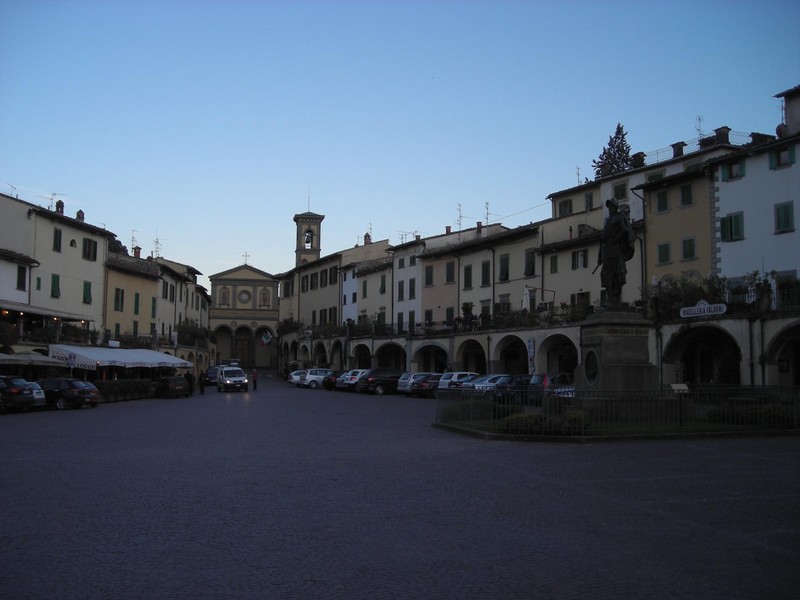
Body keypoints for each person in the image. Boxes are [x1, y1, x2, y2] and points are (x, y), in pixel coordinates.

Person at [597, 198, 633, 307]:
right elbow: (603, 239)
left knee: (608, 275)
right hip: (607, 250)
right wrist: (600, 256)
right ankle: (613, 299)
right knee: (610, 275)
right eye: (608, 207)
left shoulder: (618, 217)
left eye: (611, 206)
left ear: (615, 207)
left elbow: (625, 230)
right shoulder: (608, 219)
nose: (609, 209)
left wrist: (616, 239)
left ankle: (612, 299)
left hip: (613, 251)